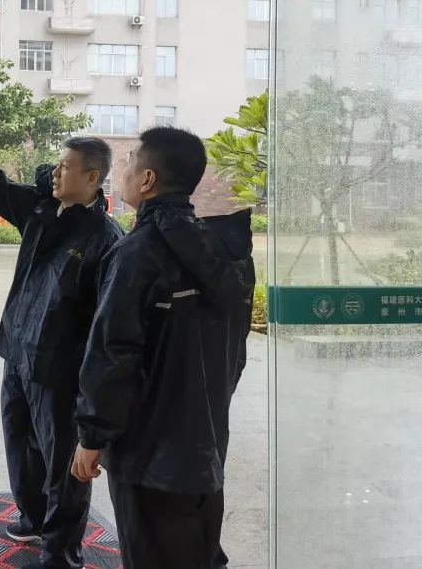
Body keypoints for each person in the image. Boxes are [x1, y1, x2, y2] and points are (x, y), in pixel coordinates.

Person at [0, 113, 123, 569]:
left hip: (60, 368)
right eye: (57, 164)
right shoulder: (39, 210)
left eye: (66, 167)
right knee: (20, 444)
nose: (56, 172)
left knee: (62, 465)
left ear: (92, 178)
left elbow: (105, 326)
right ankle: (33, 518)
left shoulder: (106, 240)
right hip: (17, 352)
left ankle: (61, 554)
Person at [71, 127, 255, 569]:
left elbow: (114, 354)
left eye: (130, 161)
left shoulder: (137, 254)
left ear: (148, 179)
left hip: (149, 458)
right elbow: (235, 352)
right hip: (206, 448)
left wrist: (92, 436)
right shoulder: (225, 250)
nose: (123, 170)